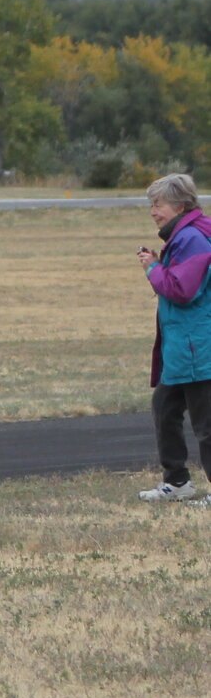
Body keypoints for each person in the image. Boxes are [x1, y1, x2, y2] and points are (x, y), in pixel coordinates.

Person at [138, 172, 211, 503]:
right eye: (152, 205)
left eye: (159, 205)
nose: (153, 212)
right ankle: (178, 483)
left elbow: (182, 290)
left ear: (180, 206)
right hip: (184, 349)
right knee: (164, 408)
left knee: (206, 425)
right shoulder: (184, 236)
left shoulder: (192, 239)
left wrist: (152, 268)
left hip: (199, 349)